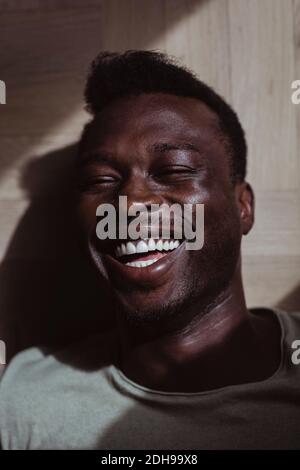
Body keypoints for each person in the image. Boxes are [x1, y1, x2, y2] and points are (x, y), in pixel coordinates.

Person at [0, 50, 299, 450]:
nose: (130, 202)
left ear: (243, 207)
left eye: (173, 170)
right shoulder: (25, 399)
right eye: (100, 180)